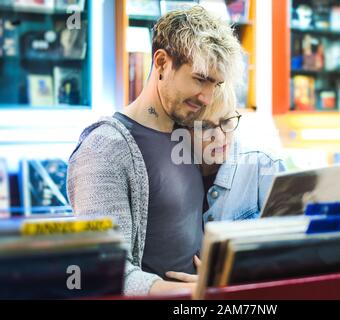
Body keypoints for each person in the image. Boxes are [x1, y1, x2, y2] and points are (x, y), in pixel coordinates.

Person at [67, 6, 244, 296]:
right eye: (200, 79)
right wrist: (193, 292)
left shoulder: (189, 132)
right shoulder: (104, 149)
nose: (207, 97)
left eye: (216, 83)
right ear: (161, 62)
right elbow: (103, 271)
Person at [188, 83, 286, 222]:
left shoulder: (265, 166)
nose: (220, 137)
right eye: (205, 126)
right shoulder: (172, 173)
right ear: (183, 129)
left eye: (227, 121)